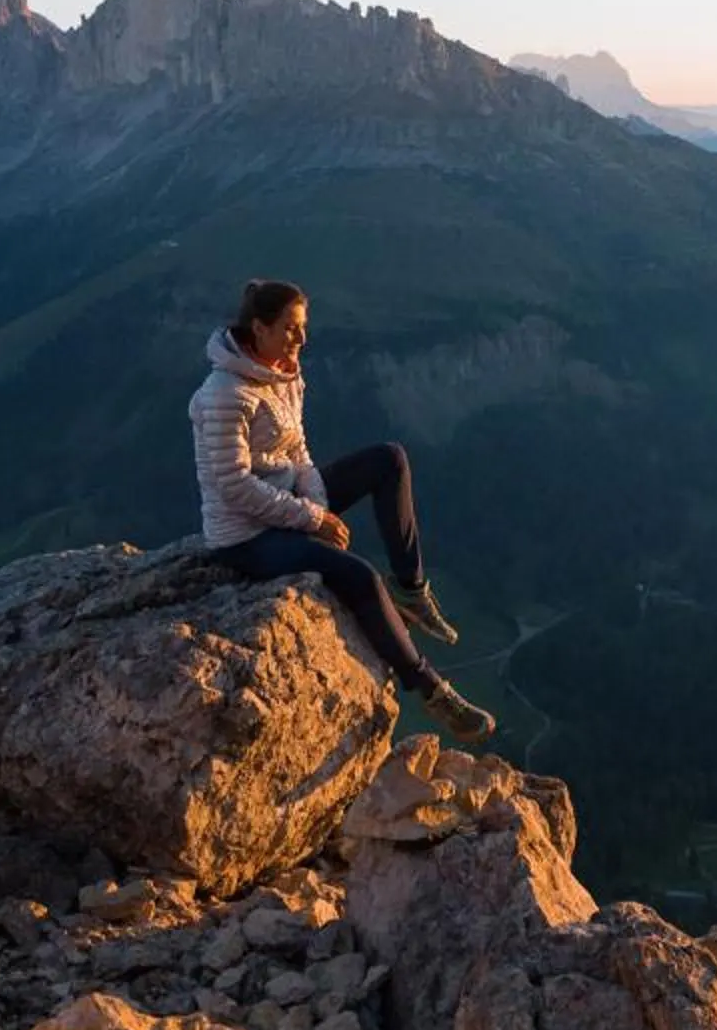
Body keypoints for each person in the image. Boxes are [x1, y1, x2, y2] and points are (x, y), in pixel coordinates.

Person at [190, 278, 498, 743]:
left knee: (388, 459)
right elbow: (232, 487)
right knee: (357, 575)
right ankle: (432, 689)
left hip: (290, 506)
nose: (301, 338)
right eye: (291, 328)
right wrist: (312, 519)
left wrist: (315, 503)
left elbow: (300, 454)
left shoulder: (284, 374)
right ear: (260, 327)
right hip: (246, 538)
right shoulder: (223, 397)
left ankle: (411, 590)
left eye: (302, 327)